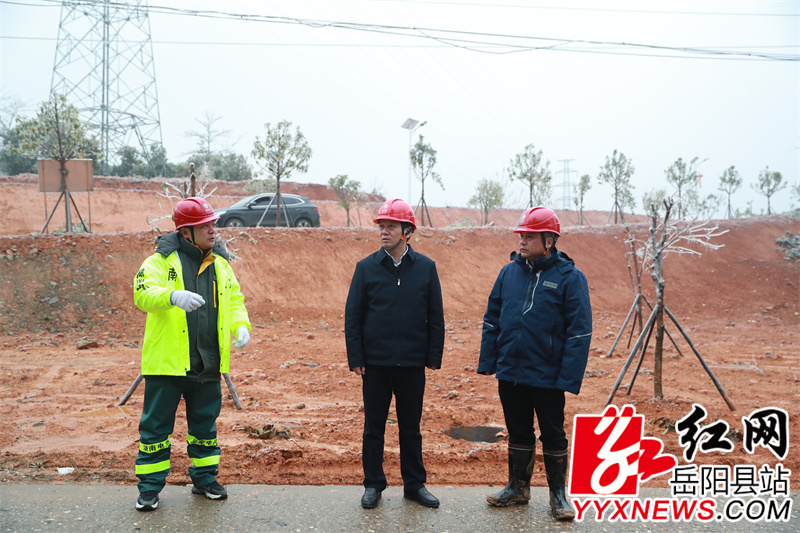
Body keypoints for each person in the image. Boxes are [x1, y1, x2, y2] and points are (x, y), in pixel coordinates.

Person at [132, 197, 251, 512]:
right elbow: (142, 293)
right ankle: (149, 489)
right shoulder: (159, 262)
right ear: (186, 232)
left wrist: (241, 325)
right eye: (205, 225)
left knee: (205, 429)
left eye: (213, 224)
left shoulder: (221, 264)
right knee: (155, 430)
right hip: (167, 364)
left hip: (207, 363)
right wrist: (172, 296)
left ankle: (205, 480)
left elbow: (235, 300)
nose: (213, 230)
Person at [477, 207, 592, 521]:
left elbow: (580, 332)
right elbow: (492, 319)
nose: (522, 241)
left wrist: (568, 378)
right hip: (510, 371)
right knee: (518, 431)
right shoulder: (508, 273)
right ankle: (518, 488)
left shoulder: (570, 278)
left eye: (529, 236)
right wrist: (489, 361)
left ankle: (558, 496)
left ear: (549, 241)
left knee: (553, 434)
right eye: (521, 235)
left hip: (547, 375)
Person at [345, 198, 445, 509]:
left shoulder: (426, 268)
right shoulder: (366, 268)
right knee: (373, 428)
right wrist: (357, 358)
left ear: (407, 232)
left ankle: (414, 485)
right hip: (375, 364)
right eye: (382, 226)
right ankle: (373, 485)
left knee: (411, 428)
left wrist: (433, 357)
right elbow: (353, 316)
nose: (384, 231)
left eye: (391, 226)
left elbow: (436, 316)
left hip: (412, 364)